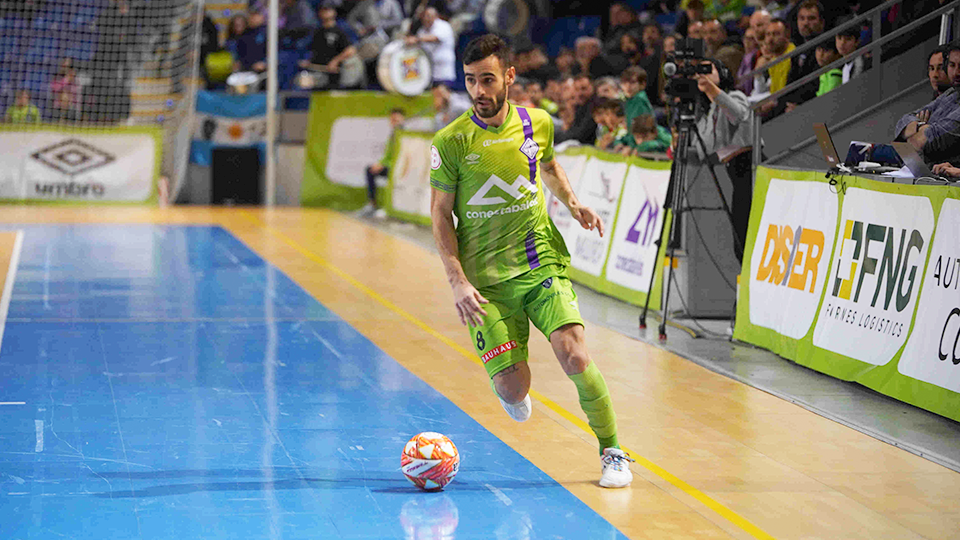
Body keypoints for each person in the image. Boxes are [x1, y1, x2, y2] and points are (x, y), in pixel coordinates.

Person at [429, 34, 634, 489]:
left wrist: (574, 203)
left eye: (487, 79)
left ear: (508, 76)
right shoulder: (451, 141)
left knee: (575, 355)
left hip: (539, 260)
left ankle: (613, 451)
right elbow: (441, 214)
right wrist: (457, 281)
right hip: (485, 283)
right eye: (470, 81)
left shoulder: (536, 122)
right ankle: (511, 382)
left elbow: (549, 166)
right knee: (513, 390)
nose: (479, 91)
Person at [691, 58, 755, 262]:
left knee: (745, 236)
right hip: (733, 170)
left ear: (723, 73)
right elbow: (704, 149)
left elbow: (738, 114)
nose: (702, 75)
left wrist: (712, 90)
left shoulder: (735, 95)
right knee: (739, 238)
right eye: (698, 73)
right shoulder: (706, 109)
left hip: (751, 165)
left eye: (707, 70)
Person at [895, 44, 960, 165]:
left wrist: (918, 130)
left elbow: (924, 142)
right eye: (952, 65)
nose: (956, 72)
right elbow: (902, 123)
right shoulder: (950, 94)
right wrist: (921, 126)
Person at [360, 108, 405, 218]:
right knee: (370, 170)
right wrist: (380, 164)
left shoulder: (404, 135)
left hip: (399, 169)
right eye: (392, 119)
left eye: (396, 119)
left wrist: (385, 165)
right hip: (389, 166)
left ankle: (389, 208)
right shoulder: (393, 134)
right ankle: (372, 204)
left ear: (402, 119)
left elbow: (400, 157)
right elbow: (387, 155)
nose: (393, 121)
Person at [300, 4, 358, 88]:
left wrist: (336, 60)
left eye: (328, 10)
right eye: (324, 10)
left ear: (334, 12)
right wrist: (308, 62)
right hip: (317, 70)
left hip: (333, 75)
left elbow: (351, 50)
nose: (326, 12)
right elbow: (313, 50)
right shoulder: (317, 31)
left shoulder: (340, 30)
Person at [406, 7, 456, 87]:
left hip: (443, 70)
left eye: (429, 16)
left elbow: (435, 38)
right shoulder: (422, 30)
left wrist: (416, 39)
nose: (426, 19)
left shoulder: (443, 26)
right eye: (424, 16)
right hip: (429, 70)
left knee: (443, 93)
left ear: (435, 16)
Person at [620, 66, 653, 132]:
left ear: (642, 84)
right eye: (624, 82)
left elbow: (638, 131)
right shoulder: (630, 100)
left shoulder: (639, 100)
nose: (628, 87)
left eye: (632, 82)